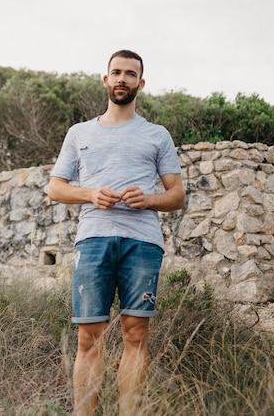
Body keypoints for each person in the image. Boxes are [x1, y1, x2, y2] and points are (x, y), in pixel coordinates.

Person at [48, 49, 186, 415]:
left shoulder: (156, 135)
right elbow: (56, 188)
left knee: (136, 337)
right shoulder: (80, 133)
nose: (122, 79)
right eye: (116, 72)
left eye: (130, 74)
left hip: (142, 243)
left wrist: (150, 199)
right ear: (105, 79)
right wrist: (90, 193)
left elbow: (177, 196)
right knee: (88, 339)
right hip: (92, 241)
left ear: (141, 83)